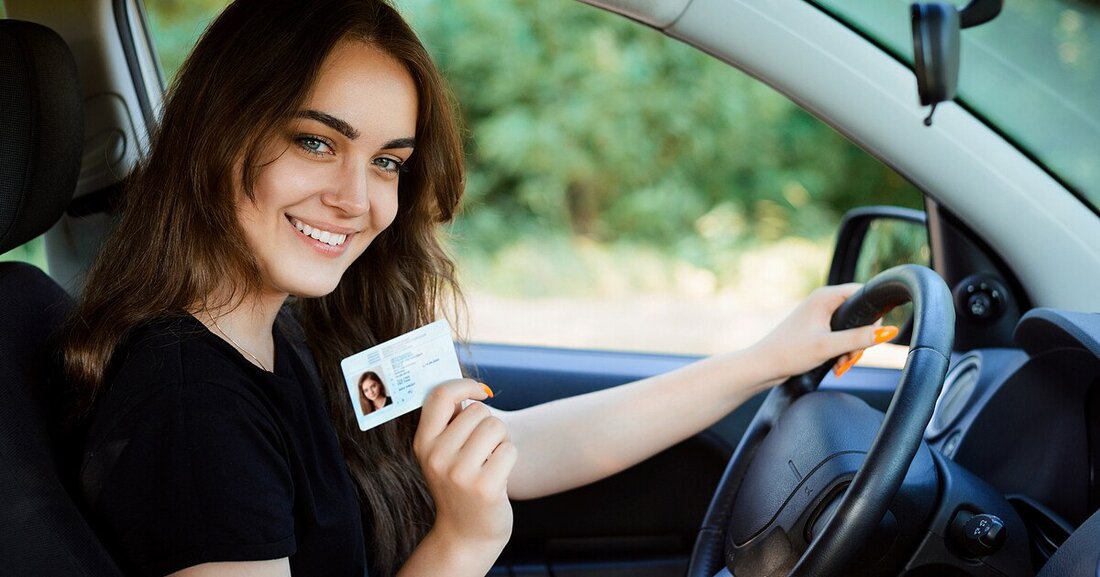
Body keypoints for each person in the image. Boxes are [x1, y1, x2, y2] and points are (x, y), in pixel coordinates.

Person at [61, 1, 892, 576]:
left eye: (388, 160)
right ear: (219, 134)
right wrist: (461, 541)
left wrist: (763, 359)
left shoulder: (290, 326)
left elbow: (512, 449)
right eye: (317, 142)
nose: (359, 199)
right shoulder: (189, 403)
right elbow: (482, 499)